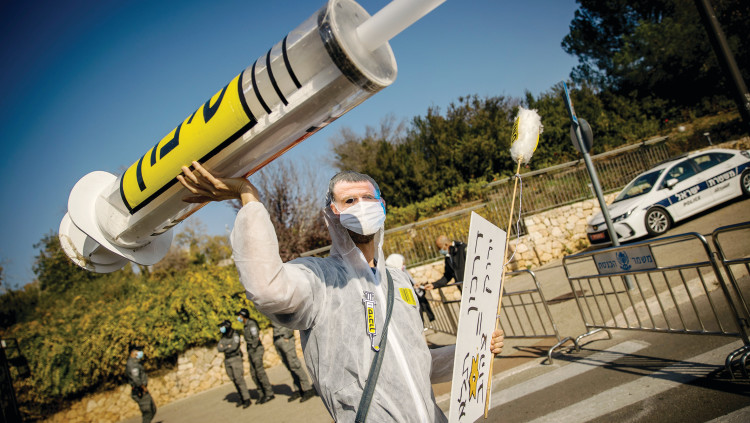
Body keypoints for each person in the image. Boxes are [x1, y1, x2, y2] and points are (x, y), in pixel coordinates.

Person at [178, 163, 504, 422]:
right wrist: (248, 197)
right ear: (332, 214)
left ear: (382, 206)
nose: (361, 206)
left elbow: (416, 364)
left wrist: (474, 351)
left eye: (368, 198)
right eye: (349, 201)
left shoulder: (399, 281)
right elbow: (268, 289)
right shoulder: (320, 279)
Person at [236, 308, 275, 404]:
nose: (238, 317)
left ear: (243, 316)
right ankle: (261, 394)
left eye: (239, 315)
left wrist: (253, 347)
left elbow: (255, 337)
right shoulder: (245, 325)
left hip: (256, 350)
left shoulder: (251, 324)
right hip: (251, 350)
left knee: (260, 372)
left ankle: (269, 393)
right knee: (253, 374)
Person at [271, 322, 317, 402]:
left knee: (294, 365)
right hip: (277, 339)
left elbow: (290, 320)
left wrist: (287, 335)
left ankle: (308, 388)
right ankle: (298, 389)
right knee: (289, 366)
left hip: (285, 338)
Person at [385, 253, 435, 324]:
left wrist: (414, 286)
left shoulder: (402, 273)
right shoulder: (392, 278)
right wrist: (412, 288)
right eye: (402, 264)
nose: (403, 266)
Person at [217, 319, 252, 408]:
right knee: (233, 379)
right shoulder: (223, 336)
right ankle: (241, 398)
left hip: (235, 358)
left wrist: (225, 347)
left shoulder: (235, 334)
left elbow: (234, 347)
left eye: (223, 327)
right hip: (227, 359)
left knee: (239, 379)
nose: (221, 329)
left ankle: (246, 399)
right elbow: (219, 348)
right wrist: (227, 347)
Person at [125, 344, 157, 423]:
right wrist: (143, 387)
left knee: (153, 409)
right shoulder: (132, 364)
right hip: (139, 391)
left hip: (142, 390)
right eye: (138, 351)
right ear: (133, 352)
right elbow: (136, 379)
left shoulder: (136, 362)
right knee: (147, 412)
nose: (140, 352)